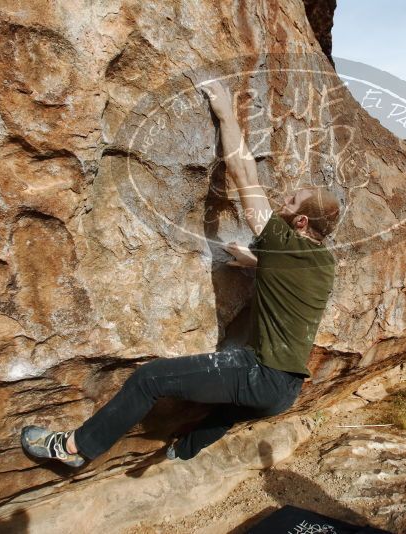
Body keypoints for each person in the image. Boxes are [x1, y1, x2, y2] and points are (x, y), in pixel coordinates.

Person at [20, 80, 340, 468]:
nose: (282, 202)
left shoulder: (285, 242)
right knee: (227, 409)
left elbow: (243, 175)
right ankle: (181, 451)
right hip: (286, 390)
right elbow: (294, 285)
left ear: (302, 221)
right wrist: (256, 264)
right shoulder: (323, 262)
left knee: (150, 379)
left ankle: (74, 448)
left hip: (261, 375)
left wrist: (225, 113)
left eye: (290, 202)